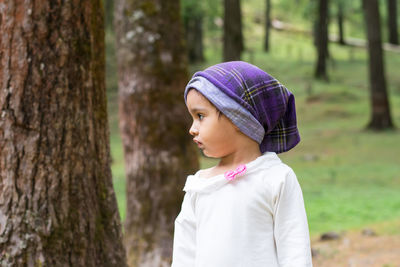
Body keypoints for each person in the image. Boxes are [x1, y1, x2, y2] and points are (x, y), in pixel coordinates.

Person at [171, 61, 312, 267]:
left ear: (236, 118)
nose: (192, 129)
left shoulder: (275, 179)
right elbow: (184, 255)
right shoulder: (198, 186)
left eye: (200, 116)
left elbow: (295, 251)